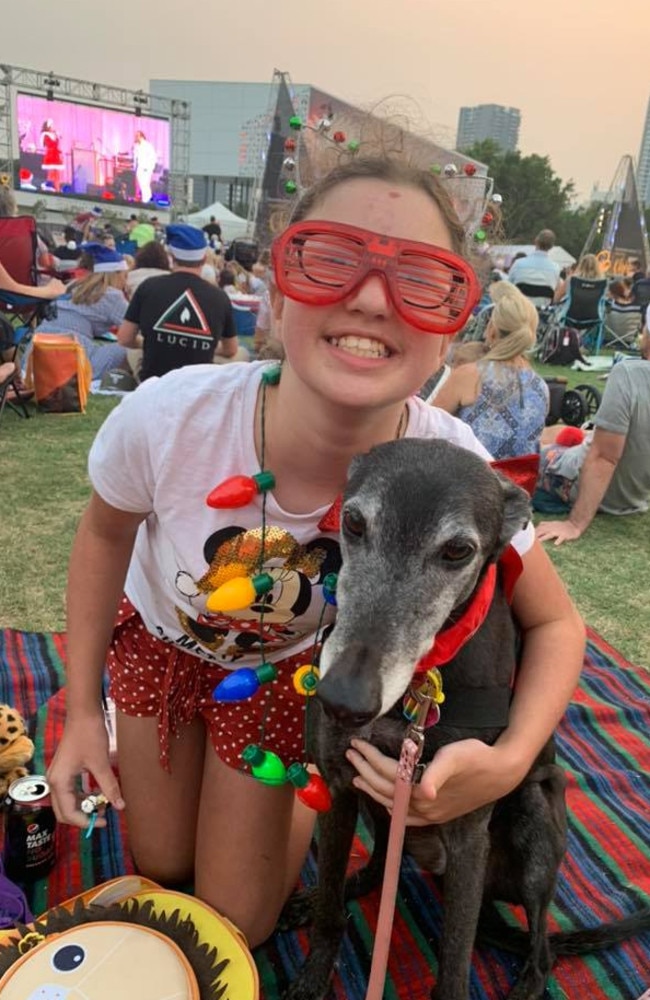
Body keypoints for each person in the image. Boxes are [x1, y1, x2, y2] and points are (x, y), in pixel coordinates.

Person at [46, 156, 585, 949]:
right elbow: (103, 536)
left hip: (286, 685)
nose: (369, 297)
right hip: (161, 651)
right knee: (162, 865)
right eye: (329, 256)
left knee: (238, 922)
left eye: (423, 279)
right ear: (274, 289)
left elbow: (558, 625)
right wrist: (83, 713)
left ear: (451, 326)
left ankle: (292, 799)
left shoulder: (452, 464)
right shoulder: (170, 417)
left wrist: (510, 761)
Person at [536, 320, 650, 544]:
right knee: (568, 432)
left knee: (531, 449)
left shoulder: (630, 374)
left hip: (580, 481)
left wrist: (575, 524)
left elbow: (604, 457)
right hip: (635, 497)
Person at [433, 283, 549, 458]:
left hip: (471, 480)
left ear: (491, 329)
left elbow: (427, 427)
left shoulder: (471, 375)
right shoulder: (541, 387)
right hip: (519, 483)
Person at [116, 223, 242, 379]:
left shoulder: (148, 287)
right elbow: (231, 350)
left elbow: (125, 338)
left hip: (152, 382)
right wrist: (201, 346)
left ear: (171, 257)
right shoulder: (220, 297)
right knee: (241, 353)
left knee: (133, 349)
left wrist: (152, 343)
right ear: (203, 259)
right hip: (196, 382)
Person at [34, 243, 131, 380]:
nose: (126, 281)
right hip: (71, 352)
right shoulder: (112, 296)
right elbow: (133, 329)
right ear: (116, 274)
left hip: (39, 346)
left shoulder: (75, 285)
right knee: (127, 347)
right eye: (125, 276)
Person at [507, 230, 561, 307]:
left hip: (517, 310)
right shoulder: (556, 268)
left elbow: (508, 286)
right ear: (551, 246)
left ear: (536, 241)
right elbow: (555, 292)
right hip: (540, 314)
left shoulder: (518, 263)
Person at [40, 119, 65, 192]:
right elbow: (48, 145)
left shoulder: (55, 134)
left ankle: (57, 189)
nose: (53, 127)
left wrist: (58, 136)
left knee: (57, 174)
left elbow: (58, 144)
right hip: (50, 156)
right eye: (51, 125)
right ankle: (49, 188)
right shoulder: (45, 135)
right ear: (48, 127)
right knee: (51, 173)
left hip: (56, 156)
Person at [133, 131, 157, 204]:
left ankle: (146, 200)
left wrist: (151, 168)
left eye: (137, 136)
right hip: (140, 168)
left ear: (141, 136)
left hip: (146, 168)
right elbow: (136, 157)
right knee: (143, 185)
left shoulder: (147, 145)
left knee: (145, 185)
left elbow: (153, 157)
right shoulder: (137, 146)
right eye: (135, 136)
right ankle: (147, 199)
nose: (136, 137)